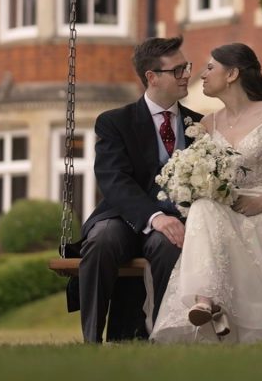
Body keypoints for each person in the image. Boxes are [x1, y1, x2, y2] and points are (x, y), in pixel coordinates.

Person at [148, 43, 262, 344]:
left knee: (216, 225)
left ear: (232, 74)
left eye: (210, 68)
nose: (202, 75)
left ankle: (210, 303)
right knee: (203, 208)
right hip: (229, 209)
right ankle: (207, 302)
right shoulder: (207, 124)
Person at [73, 35, 202, 343]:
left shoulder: (200, 125)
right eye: (178, 70)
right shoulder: (115, 122)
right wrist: (154, 217)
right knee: (101, 241)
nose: (186, 75)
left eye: (186, 67)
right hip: (123, 217)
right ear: (152, 77)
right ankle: (91, 340)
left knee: (169, 244)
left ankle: (162, 336)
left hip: (175, 222)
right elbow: (113, 179)